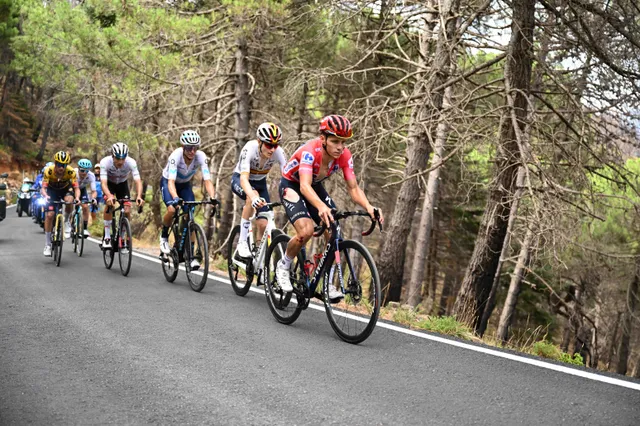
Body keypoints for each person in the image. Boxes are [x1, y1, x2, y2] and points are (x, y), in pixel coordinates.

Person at [276, 115, 384, 299]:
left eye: (343, 142)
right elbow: (304, 186)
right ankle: (283, 266)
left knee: (334, 231)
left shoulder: (344, 155)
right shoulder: (311, 151)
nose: (340, 147)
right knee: (306, 231)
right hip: (292, 184)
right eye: (335, 141)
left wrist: (368, 206)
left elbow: (353, 187)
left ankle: (326, 280)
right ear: (323, 139)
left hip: (314, 186)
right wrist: (320, 206)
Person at [159, 130, 216, 269]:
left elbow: (207, 180)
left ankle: (189, 253)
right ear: (183, 147)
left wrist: (213, 198)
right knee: (172, 209)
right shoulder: (176, 156)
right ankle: (164, 236)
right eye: (189, 148)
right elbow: (171, 182)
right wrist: (176, 198)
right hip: (169, 183)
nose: (192, 151)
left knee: (190, 215)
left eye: (195, 148)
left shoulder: (201, 157)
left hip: (185, 185)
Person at [231, 122, 287, 258]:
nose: (272, 149)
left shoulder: (278, 152)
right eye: (269, 145)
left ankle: (257, 253)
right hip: (241, 179)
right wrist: (253, 196)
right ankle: (242, 243)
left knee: (263, 223)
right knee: (252, 197)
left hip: (260, 183)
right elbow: (244, 179)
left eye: (275, 145)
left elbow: (287, 176)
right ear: (259, 142)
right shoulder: (249, 148)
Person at [99, 142, 145, 248]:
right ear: (112, 156)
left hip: (122, 185)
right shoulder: (105, 162)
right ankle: (106, 237)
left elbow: (138, 181)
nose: (120, 161)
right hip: (109, 184)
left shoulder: (131, 162)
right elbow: (103, 183)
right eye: (118, 158)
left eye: (123, 158)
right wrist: (109, 196)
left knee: (127, 209)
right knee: (109, 204)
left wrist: (139, 196)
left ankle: (123, 237)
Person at [40, 152, 80, 256]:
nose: (61, 168)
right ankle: (48, 244)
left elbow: (76, 188)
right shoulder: (48, 171)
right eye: (59, 165)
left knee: (69, 200)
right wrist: (45, 196)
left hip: (65, 189)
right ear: (55, 163)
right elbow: (43, 188)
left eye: (64, 165)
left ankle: (66, 221)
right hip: (51, 191)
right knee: (50, 215)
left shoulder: (71, 172)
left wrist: (77, 198)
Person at [75, 158, 98, 237]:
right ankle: (69, 222)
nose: (84, 173)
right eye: (82, 170)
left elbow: (94, 191)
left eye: (87, 171)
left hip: (82, 189)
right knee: (70, 203)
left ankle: (84, 228)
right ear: (78, 168)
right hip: (71, 188)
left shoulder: (91, 176)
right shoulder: (73, 173)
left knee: (85, 206)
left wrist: (93, 198)